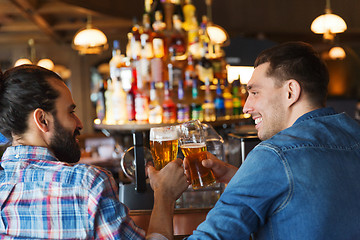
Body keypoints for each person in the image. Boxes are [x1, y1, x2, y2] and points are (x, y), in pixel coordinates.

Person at [149, 41, 360, 239]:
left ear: (291, 92)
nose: (246, 107)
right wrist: (242, 178)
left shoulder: (274, 155)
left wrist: (164, 195)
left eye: (255, 92)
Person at [0, 65, 189, 239]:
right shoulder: (87, 184)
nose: (80, 123)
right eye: (70, 112)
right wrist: (165, 194)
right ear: (42, 120)